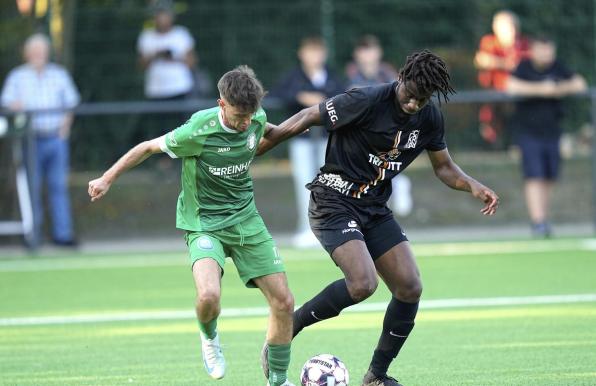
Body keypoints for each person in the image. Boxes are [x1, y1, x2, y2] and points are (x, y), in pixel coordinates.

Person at [259, 50, 500, 386]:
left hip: (373, 207)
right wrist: (262, 146)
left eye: (423, 99)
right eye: (411, 95)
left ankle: (376, 376)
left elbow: (444, 167)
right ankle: (287, 328)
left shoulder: (428, 117)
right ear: (401, 78)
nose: (414, 104)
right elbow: (307, 116)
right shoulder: (366, 99)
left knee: (409, 287)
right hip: (333, 201)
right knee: (363, 283)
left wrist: (472, 185)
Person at [88, 66, 295, 386]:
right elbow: (146, 147)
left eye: (249, 116)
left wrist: (302, 125)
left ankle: (279, 380)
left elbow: (267, 129)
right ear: (221, 104)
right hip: (204, 224)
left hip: (246, 219)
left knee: (284, 302)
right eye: (239, 116)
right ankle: (210, 339)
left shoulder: (254, 117)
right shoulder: (198, 129)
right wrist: (107, 178)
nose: (245, 124)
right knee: (209, 296)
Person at [0, 33, 80, 247]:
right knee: (31, 188)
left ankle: (63, 235)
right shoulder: (17, 77)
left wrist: (64, 128)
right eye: (34, 51)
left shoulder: (59, 75)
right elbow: (7, 103)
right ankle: (32, 236)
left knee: (58, 187)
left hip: (55, 138)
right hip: (30, 140)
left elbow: (71, 103)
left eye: (41, 51)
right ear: (27, 54)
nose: (38, 55)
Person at [505, 36, 586, 237]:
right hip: (528, 132)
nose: (546, 55)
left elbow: (580, 84)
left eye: (549, 50)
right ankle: (538, 221)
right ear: (533, 51)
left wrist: (558, 90)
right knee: (534, 176)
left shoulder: (558, 67)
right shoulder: (523, 67)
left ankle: (543, 219)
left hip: (552, 132)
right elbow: (511, 86)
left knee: (549, 176)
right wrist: (541, 90)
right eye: (542, 50)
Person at [272, 36, 346, 248]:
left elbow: (343, 97)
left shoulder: (332, 76)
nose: (314, 56)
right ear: (301, 54)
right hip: (302, 141)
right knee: (304, 182)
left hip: (327, 140)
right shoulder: (294, 77)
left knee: (330, 184)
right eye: (310, 51)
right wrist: (301, 96)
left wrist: (320, 100)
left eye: (318, 51)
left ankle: (331, 228)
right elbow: (281, 94)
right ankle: (307, 229)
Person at [346, 34, 413, 217]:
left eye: (371, 50)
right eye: (363, 51)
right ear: (357, 54)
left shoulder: (388, 74)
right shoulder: (351, 74)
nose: (368, 55)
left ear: (378, 52)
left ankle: (398, 184)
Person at [474, 10, 529, 147]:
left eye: (510, 26)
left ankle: (515, 144)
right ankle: (492, 144)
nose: (508, 30)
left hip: (518, 92)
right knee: (490, 118)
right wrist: (506, 63)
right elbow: (482, 60)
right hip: (493, 91)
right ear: (496, 28)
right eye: (504, 27)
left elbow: (526, 64)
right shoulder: (489, 42)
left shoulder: (523, 43)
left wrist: (501, 63)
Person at [137, 3, 197, 101]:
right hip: (155, 91)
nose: (161, 19)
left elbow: (192, 62)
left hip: (180, 88)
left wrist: (173, 56)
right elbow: (141, 65)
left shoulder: (181, 34)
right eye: (158, 15)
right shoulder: (146, 36)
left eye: (164, 15)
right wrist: (155, 55)